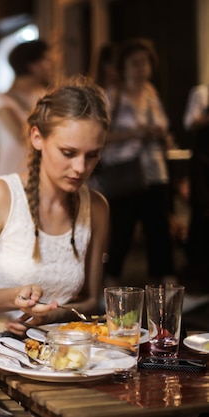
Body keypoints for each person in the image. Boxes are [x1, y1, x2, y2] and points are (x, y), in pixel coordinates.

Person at [0, 77, 111, 338]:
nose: (81, 168)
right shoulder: (0, 197)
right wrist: (13, 297)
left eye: (92, 155)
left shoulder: (97, 208)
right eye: (68, 153)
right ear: (37, 137)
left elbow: (91, 300)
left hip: (61, 349)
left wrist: (54, 315)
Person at [100, 38, 177, 286]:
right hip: (126, 173)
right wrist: (135, 133)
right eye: (135, 63)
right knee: (122, 231)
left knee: (159, 231)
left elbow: (164, 128)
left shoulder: (151, 92)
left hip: (155, 170)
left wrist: (162, 137)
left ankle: (166, 287)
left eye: (145, 62)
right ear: (124, 66)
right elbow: (100, 134)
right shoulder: (113, 95)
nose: (141, 68)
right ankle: (110, 287)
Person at [0, 40, 54, 178]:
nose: (52, 66)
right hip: (13, 171)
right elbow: (22, 136)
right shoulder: (4, 100)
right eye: (47, 60)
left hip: (42, 172)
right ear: (33, 66)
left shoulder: (46, 96)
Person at [183, 82, 209, 285]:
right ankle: (196, 270)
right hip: (203, 162)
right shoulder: (201, 92)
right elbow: (189, 122)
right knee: (201, 214)